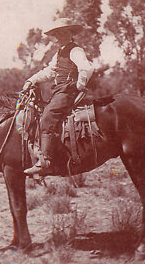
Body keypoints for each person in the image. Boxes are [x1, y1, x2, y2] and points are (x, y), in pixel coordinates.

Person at [22, 18, 94, 175]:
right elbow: (49, 72)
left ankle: (46, 160)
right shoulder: (59, 53)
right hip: (58, 90)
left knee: (48, 116)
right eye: (58, 33)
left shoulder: (75, 50)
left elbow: (86, 67)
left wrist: (80, 83)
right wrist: (31, 80)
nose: (61, 36)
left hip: (68, 91)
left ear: (70, 33)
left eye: (64, 32)